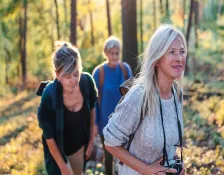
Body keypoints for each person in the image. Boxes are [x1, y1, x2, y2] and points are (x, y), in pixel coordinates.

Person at [103, 24, 187, 175]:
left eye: (182, 51)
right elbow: (110, 142)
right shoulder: (139, 96)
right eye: (172, 52)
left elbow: (168, 142)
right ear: (157, 58)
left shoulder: (177, 94)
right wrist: (147, 170)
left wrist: (176, 163)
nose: (179, 58)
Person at [37, 42, 98, 175]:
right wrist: (64, 167)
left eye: (76, 74)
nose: (74, 80)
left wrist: (91, 138)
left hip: (78, 147)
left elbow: (93, 108)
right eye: (68, 76)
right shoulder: (49, 95)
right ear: (57, 75)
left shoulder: (87, 82)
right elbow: (49, 137)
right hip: (57, 151)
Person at [92, 36, 132, 175]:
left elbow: (133, 95)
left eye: (117, 53)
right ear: (106, 53)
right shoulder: (99, 72)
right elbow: (93, 100)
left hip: (125, 120)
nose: (114, 56)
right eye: (111, 53)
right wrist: (95, 123)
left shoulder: (125, 69)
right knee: (109, 154)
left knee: (126, 155)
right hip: (105, 121)